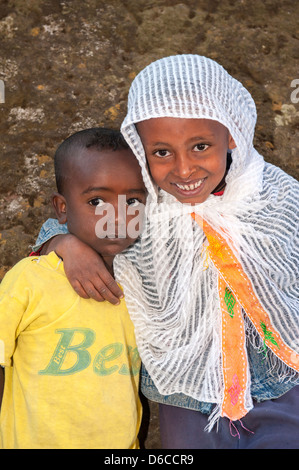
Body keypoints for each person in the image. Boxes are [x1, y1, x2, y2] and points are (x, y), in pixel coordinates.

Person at [32, 55, 299, 449]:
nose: (184, 169)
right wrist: (63, 243)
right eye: (161, 153)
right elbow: (76, 220)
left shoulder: (277, 195)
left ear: (233, 133)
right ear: (140, 150)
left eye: (201, 146)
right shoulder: (143, 205)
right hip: (185, 391)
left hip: (281, 379)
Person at [0, 127, 147, 449]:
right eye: (97, 201)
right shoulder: (30, 281)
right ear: (61, 208)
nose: (117, 218)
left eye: (134, 200)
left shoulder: (145, 287)